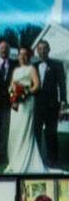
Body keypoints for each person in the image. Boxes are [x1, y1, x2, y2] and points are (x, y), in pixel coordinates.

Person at [5, 45, 46, 174]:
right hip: (16, 104)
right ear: (18, 56)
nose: (22, 56)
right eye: (20, 54)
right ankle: (14, 160)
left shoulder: (31, 68)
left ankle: (26, 161)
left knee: (25, 131)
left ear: (29, 56)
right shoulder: (15, 70)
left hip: (27, 103)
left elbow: (37, 85)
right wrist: (13, 95)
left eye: (25, 54)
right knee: (15, 131)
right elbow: (11, 86)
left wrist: (25, 92)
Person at [34, 40, 66, 168]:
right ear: (37, 51)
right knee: (35, 132)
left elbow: (62, 85)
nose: (42, 51)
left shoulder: (57, 65)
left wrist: (63, 103)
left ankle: (53, 160)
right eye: (40, 49)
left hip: (52, 105)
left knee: (51, 133)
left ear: (49, 50)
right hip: (36, 106)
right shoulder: (33, 66)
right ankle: (36, 159)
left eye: (44, 48)